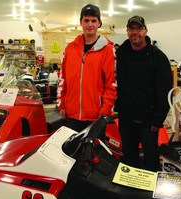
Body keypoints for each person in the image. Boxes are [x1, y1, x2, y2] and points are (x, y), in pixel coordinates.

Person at [115, 15, 173, 172]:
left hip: (149, 122)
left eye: (139, 29)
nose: (135, 32)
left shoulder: (158, 57)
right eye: (131, 29)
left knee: (151, 160)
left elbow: (165, 89)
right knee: (129, 160)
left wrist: (158, 118)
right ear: (127, 31)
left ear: (145, 31)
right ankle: (131, 194)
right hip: (126, 119)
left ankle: (150, 194)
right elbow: (116, 83)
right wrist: (118, 107)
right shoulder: (121, 55)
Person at [57, 4, 117, 140]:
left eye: (93, 21)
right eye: (86, 20)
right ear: (81, 22)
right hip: (71, 115)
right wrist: (61, 104)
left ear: (99, 23)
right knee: (72, 155)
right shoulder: (70, 49)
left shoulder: (107, 50)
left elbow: (112, 84)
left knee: (93, 156)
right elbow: (63, 79)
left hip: (96, 117)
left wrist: (105, 111)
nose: (90, 24)